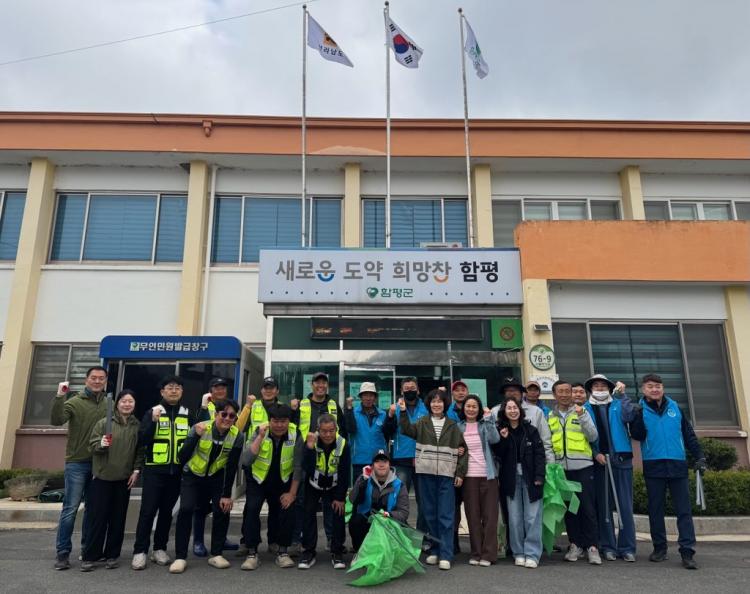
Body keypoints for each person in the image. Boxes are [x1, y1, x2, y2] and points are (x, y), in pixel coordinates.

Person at [628, 373, 706, 570]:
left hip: (677, 463)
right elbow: (637, 435)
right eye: (650, 386)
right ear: (643, 389)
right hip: (653, 464)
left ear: (663, 388)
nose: (654, 389)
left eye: (658, 386)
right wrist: (637, 417)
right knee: (656, 510)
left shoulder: (675, 408)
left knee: (684, 511)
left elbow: (688, 435)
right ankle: (659, 548)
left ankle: (687, 551)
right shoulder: (639, 410)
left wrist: (699, 456)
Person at [169, 400, 243, 574]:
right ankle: (180, 557)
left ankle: (216, 554)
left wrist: (227, 495)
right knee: (186, 509)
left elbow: (232, 466)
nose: (227, 418)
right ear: (216, 414)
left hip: (216, 477)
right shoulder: (201, 427)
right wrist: (195, 436)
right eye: (224, 414)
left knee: (222, 508)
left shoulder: (237, 436)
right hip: (193, 475)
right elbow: (182, 456)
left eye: (232, 416)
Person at [398, 388, 467, 571]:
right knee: (430, 513)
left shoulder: (452, 425)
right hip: (425, 473)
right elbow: (406, 430)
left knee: (445, 514)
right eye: (433, 401)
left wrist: (460, 473)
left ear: (445, 404)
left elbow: (463, 450)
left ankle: (446, 553)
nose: (437, 404)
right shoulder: (422, 422)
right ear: (429, 404)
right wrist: (403, 412)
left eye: (440, 401)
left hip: (446, 474)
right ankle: (435, 550)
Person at [132, 375, 194, 570]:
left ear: (182, 391)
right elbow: (142, 439)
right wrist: (153, 421)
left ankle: (159, 548)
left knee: (167, 513)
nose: (174, 391)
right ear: (162, 391)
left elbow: (193, 440)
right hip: (154, 470)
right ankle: (140, 551)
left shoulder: (187, 413)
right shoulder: (153, 411)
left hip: (176, 473)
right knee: (148, 511)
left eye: (177, 388)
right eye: (170, 387)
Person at [50, 365, 108, 570]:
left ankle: (88, 551)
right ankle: (63, 552)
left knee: (92, 510)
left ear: (106, 381)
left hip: (99, 463)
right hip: (77, 462)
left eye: (101, 378)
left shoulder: (109, 404)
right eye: (94, 378)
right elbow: (56, 420)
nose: (97, 381)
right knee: (71, 509)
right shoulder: (75, 402)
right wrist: (60, 396)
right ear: (86, 380)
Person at [80, 389, 142, 571]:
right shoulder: (104, 423)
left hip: (124, 479)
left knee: (118, 519)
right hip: (102, 477)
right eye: (123, 401)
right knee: (98, 518)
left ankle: (112, 555)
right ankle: (90, 555)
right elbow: (92, 445)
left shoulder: (136, 426)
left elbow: (140, 450)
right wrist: (101, 444)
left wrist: (136, 470)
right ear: (117, 404)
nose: (127, 404)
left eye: (130, 401)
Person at [239, 403, 303, 571]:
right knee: (252, 509)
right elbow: (246, 460)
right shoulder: (259, 431)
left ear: (289, 421)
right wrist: (260, 437)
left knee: (287, 509)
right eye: (275, 421)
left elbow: (298, 466)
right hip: (258, 479)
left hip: (283, 479)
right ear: (270, 421)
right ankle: (252, 553)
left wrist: (292, 493)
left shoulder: (295, 433)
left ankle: (282, 551)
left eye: (283, 421)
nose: (279, 425)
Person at [583, 374, 637, 562]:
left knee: (625, 506)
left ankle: (627, 547)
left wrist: (623, 395)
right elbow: (583, 436)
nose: (599, 388)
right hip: (599, 461)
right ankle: (608, 546)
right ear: (591, 390)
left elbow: (630, 416)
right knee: (604, 507)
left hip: (621, 459)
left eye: (603, 385)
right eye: (596, 386)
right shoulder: (585, 408)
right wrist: (594, 453)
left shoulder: (618, 404)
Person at [290, 372, 346, 553]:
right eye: (317, 382)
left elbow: (343, 430)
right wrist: (292, 410)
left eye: (324, 383)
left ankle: (331, 539)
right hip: (305, 457)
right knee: (302, 502)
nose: (321, 386)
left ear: (327, 385)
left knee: (330, 502)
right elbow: (291, 427)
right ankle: (298, 539)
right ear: (312, 385)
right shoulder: (302, 404)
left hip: (328, 460)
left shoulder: (334, 405)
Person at [548, 380, 601, 565]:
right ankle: (575, 544)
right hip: (562, 471)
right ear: (554, 395)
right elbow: (548, 443)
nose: (564, 394)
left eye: (567, 391)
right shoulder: (550, 416)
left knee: (587, 508)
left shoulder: (582, 411)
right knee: (571, 510)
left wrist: (583, 416)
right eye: (560, 391)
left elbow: (593, 436)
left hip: (583, 467)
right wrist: (552, 467)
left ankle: (592, 547)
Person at [493, 399, 546, 569]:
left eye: (515, 407)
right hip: (510, 478)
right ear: (504, 411)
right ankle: (518, 552)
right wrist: (503, 439)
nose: (512, 411)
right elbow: (498, 455)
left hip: (531, 477)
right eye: (509, 408)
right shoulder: (501, 430)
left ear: (520, 410)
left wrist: (539, 476)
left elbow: (540, 454)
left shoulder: (531, 430)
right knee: (514, 518)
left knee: (532, 517)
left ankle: (532, 553)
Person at [236, 376, 284, 557]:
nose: (268, 390)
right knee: (252, 507)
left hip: (276, 466)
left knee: (275, 507)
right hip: (255, 465)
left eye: (271, 387)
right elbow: (238, 427)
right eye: (265, 387)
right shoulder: (253, 406)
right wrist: (247, 406)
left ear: (277, 390)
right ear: (261, 390)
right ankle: (248, 542)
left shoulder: (283, 408)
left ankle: (274, 541)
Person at [194, 377, 239, 557]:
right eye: (216, 388)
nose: (220, 390)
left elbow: (235, 428)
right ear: (210, 390)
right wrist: (204, 407)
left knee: (222, 507)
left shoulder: (231, 406)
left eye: (223, 388)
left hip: (219, 469)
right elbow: (197, 426)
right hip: (201, 470)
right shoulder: (205, 406)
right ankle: (198, 541)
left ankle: (221, 539)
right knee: (200, 508)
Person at [299, 414, 350, 570]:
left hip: (334, 484)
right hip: (313, 484)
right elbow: (306, 467)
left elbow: (345, 472)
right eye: (324, 431)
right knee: (308, 515)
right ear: (318, 430)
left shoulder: (343, 443)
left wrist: (340, 497)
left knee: (338, 514)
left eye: (331, 431)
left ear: (336, 429)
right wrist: (309, 448)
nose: (328, 435)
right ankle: (308, 552)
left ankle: (337, 551)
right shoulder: (311, 441)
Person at [456, 394, 500, 566]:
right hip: (468, 476)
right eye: (468, 406)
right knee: (472, 516)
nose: (471, 409)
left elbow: (495, 439)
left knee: (490, 517)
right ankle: (476, 553)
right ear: (463, 408)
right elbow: (454, 446)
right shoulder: (459, 426)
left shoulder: (484, 424)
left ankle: (488, 554)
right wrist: (458, 450)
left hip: (488, 475)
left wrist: (489, 419)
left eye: (474, 406)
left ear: (479, 409)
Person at [348, 450, 409, 554]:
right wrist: (362, 481)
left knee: (403, 526)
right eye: (377, 461)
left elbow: (404, 513)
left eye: (384, 461)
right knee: (355, 521)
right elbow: (352, 499)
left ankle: (391, 552)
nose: (381, 465)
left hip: (388, 522)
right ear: (372, 465)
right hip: (368, 521)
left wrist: (390, 514)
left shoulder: (399, 484)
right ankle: (360, 552)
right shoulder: (364, 478)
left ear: (389, 465)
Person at [389, 377, 429, 534]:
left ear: (418, 390)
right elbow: (387, 431)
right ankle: (402, 534)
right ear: (401, 391)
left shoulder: (427, 408)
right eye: (406, 388)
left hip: (423, 459)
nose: (410, 391)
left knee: (424, 501)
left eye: (412, 388)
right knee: (399, 500)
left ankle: (421, 535)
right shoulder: (395, 409)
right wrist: (390, 416)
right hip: (401, 460)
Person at [491, 378, 554, 464]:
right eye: (508, 391)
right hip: (503, 465)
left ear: (522, 393)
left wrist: (550, 464)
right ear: (504, 394)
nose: (512, 393)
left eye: (515, 390)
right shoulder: (495, 411)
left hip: (531, 464)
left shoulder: (536, 411)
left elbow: (546, 441)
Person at [344, 381, 396, 478]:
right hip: (359, 459)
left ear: (375, 397)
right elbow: (350, 429)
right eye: (365, 395)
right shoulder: (353, 413)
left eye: (371, 395)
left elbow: (388, 433)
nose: (368, 398)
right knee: (361, 487)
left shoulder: (383, 414)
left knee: (379, 487)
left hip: (379, 460)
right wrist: (348, 409)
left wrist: (391, 417)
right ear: (361, 397)